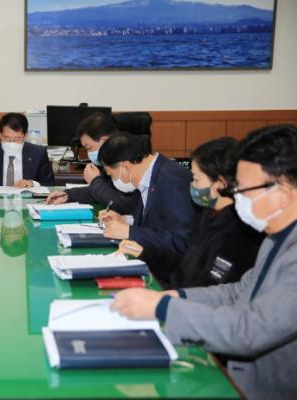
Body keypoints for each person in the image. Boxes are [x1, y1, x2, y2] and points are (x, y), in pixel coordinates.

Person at [111, 125, 297, 399]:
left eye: (243, 190)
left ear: (282, 194)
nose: (235, 196)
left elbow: (250, 329)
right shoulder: (275, 237)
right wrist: (177, 296)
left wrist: (165, 307)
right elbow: (238, 291)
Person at [117, 137, 263, 288]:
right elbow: (185, 265)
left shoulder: (238, 233)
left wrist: (168, 296)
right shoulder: (209, 215)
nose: (191, 185)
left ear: (220, 184)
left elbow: (210, 287)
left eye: (196, 179)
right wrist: (144, 254)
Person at [97, 132, 199, 268]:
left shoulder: (172, 180)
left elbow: (181, 242)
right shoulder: (149, 176)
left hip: (170, 270)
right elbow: (154, 221)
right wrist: (125, 220)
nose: (113, 180)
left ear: (125, 167)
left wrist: (129, 232)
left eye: (111, 175)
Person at [45, 113, 141, 215]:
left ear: (105, 140)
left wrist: (95, 181)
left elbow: (124, 205)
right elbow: (99, 192)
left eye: (90, 148)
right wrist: (68, 195)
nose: (89, 153)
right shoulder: (111, 160)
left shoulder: (127, 161)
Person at [0, 113, 54, 188]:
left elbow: (50, 184)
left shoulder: (38, 153)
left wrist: (32, 184)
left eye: (17, 139)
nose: (11, 143)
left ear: (25, 136)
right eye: (7, 138)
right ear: (0, 135)